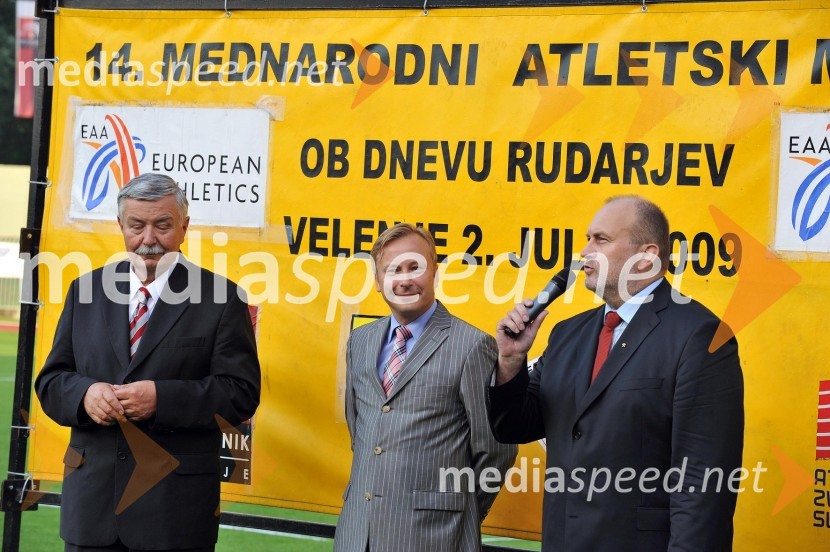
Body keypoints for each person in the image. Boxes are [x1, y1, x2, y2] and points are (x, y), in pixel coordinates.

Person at [489, 196, 744, 551]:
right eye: (587, 238)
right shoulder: (567, 334)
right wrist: (511, 361)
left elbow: (703, 483)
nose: (584, 251)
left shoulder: (699, 336)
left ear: (646, 255)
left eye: (601, 240)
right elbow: (514, 426)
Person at [35, 173, 261, 552]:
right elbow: (52, 381)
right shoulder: (85, 291)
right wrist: (85, 395)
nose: (149, 240)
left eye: (162, 225)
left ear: (184, 227)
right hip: (92, 511)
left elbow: (240, 394)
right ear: (121, 226)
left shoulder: (222, 298)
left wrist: (161, 399)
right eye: (137, 226)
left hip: (175, 516)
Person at [334, 223, 517, 552]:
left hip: (436, 538)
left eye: (414, 267)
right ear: (378, 281)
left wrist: (460, 512)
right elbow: (359, 429)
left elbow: (497, 450)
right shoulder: (360, 341)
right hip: (356, 534)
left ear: (434, 271)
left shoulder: (472, 346)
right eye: (393, 269)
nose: (404, 280)